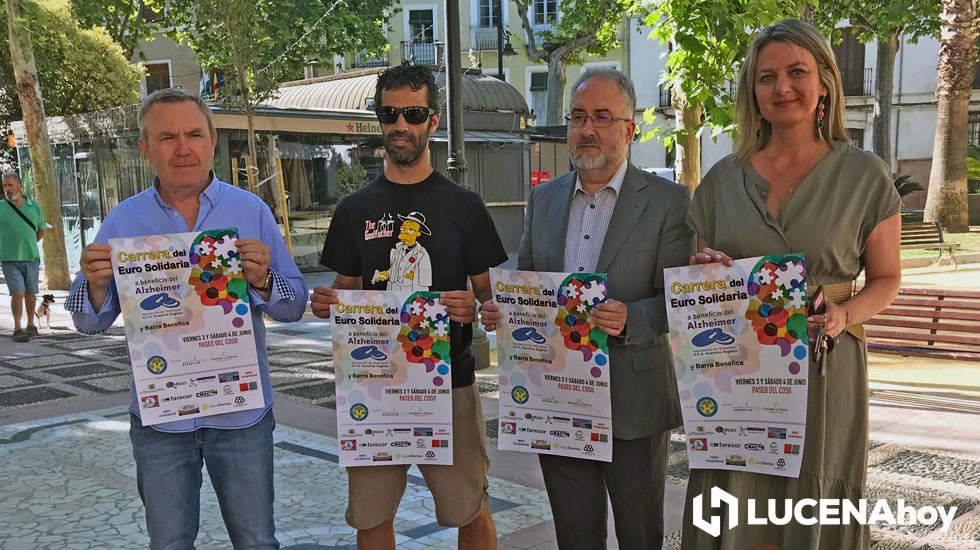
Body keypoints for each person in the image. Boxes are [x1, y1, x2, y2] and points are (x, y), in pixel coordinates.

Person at [681, 19, 901, 549]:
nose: (782, 88)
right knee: (737, 495)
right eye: (767, 77)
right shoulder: (719, 181)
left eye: (797, 72)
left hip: (827, 365)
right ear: (752, 94)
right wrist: (706, 270)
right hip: (737, 375)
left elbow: (888, 278)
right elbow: (695, 280)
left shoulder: (866, 175)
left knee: (811, 504)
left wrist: (846, 314)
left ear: (824, 82)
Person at [66, 87, 308, 549]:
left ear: (213, 140)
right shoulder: (122, 221)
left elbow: (293, 305)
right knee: (170, 543)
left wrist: (261, 281)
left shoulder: (250, 211)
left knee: (257, 540)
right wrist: (95, 285)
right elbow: (89, 323)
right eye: (167, 137)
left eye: (194, 133)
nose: (183, 148)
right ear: (144, 148)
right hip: (161, 421)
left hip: (242, 416)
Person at [480, 68, 693, 549]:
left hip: (634, 401)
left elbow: (682, 302)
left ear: (629, 127)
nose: (587, 128)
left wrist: (631, 318)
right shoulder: (543, 199)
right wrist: (505, 311)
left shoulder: (670, 202)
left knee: (641, 534)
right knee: (575, 534)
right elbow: (531, 286)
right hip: (555, 398)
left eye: (602, 116)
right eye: (577, 117)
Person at [311, 64, 506, 550]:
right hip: (373, 386)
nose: (400, 124)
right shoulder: (354, 209)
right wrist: (326, 304)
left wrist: (476, 307)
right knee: (372, 518)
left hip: (450, 384)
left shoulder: (464, 205)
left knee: (470, 509)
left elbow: (493, 301)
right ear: (379, 120)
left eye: (412, 113)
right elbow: (342, 293)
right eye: (390, 113)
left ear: (432, 121)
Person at [1, 172, 46, 342]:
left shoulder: (33, 206)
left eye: (10, 185)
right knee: (18, 292)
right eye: (5, 186)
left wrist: (31, 242)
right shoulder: (1, 206)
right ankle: (17, 327)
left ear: (20, 186)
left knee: (31, 294)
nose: (7, 189)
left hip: (31, 257)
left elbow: (42, 227)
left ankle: (31, 324)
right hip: (9, 258)